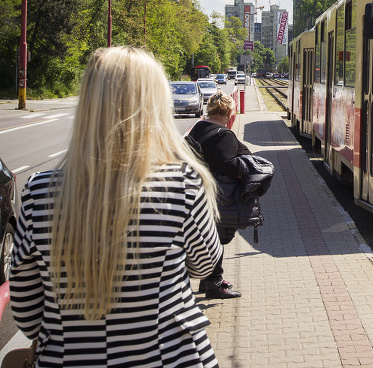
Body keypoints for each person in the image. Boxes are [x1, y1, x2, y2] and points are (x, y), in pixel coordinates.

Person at [9, 46, 223, 367]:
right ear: (154, 107)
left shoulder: (38, 192)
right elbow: (204, 266)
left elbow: (26, 314)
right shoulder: (182, 185)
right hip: (169, 357)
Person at [187, 91, 249, 299]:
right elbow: (227, 165)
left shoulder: (199, 127)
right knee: (217, 235)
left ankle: (208, 280)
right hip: (216, 194)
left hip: (196, 189)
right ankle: (215, 283)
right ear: (229, 112)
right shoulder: (224, 135)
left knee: (208, 233)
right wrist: (244, 168)